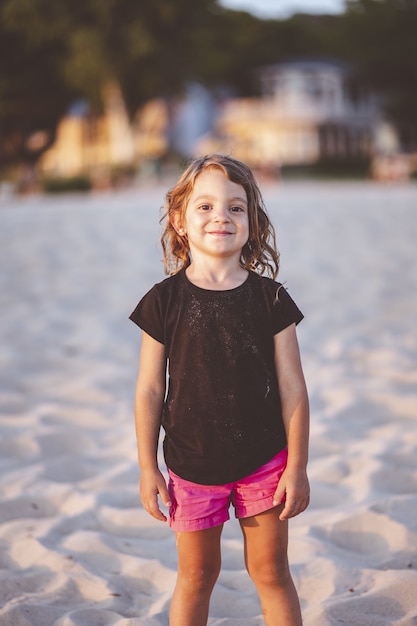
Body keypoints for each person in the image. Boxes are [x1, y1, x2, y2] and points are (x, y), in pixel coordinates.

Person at [129, 154, 310, 626]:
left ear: (252, 220)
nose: (221, 218)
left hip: (265, 462)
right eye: (205, 207)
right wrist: (148, 467)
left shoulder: (271, 298)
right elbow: (149, 390)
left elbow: (294, 389)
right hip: (191, 464)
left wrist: (298, 466)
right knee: (196, 574)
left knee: (271, 572)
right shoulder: (162, 301)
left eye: (235, 207)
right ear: (180, 221)